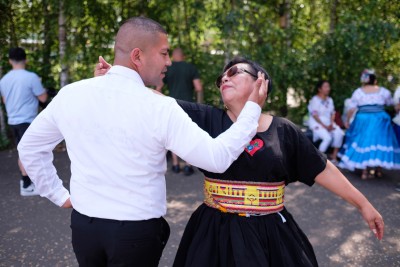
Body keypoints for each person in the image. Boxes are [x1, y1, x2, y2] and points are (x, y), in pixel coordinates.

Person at [18, 17, 268, 267]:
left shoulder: (71, 94)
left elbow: (29, 147)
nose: (168, 61)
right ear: (138, 56)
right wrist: (251, 112)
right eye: (163, 53)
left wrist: (57, 194)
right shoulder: (160, 107)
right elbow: (216, 158)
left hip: (85, 228)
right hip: (135, 234)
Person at [95, 56, 384, 267]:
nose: (225, 78)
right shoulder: (207, 118)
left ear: (261, 82)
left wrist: (364, 203)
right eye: (222, 77)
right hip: (213, 234)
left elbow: (322, 168)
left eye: (235, 72)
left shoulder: (284, 130)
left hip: (270, 235)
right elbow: (153, 100)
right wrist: (117, 79)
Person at [0, 47, 47, 196]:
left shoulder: (4, 80)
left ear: (9, 61)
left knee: (23, 152)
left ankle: (27, 183)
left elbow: (5, 100)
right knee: (27, 154)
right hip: (27, 121)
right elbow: (43, 98)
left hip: (13, 121)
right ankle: (26, 185)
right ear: (25, 60)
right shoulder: (31, 77)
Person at [339, 69, 400, 179]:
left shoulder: (358, 92)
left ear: (364, 81)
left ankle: (365, 171)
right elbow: (392, 104)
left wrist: (347, 121)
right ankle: (378, 170)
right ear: (375, 81)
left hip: (363, 119)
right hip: (380, 119)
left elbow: (351, 109)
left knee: (364, 143)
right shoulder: (383, 91)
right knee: (380, 143)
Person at [156, 47, 203, 175]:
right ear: (184, 56)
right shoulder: (190, 68)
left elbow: (158, 87)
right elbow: (198, 87)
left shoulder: (167, 69)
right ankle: (188, 165)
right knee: (189, 135)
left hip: (172, 106)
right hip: (189, 105)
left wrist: (162, 101)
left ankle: (176, 165)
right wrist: (199, 105)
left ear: (173, 56)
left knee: (173, 135)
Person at [308, 80, 344, 164]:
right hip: (317, 123)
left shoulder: (330, 100)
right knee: (327, 138)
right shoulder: (315, 100)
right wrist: (324, 126)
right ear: (319, 89)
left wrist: (331, 123)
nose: (328, 89)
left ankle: (334, 157)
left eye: (328, 86)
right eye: (325, 87)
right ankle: (318, 160)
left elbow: (332, 113)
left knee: (339, 133)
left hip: (329, 123)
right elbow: (314, 115)